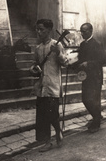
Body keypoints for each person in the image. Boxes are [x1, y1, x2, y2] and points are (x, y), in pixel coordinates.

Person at [30, 19, 67, 152]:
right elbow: (35, 64)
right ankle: (47, 141)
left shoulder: (57, 45)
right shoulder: (38, 48)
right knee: (42, 116)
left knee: (52, 115)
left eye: (42, 29)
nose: (39, 32)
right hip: (41, 87)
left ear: (49, 30)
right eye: (37, 29)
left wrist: (58, 52)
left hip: (53, 86)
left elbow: (65, 63)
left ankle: (58, 132)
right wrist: (33, 69)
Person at [77, 23, 105, 133]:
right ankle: (96, 117)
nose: (82, 34)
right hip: (86, 77)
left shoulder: (97, 44)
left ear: (91, 31)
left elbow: (102, 60)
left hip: (95, 77)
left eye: (84, 31)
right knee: (85, 99)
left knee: (94, 100)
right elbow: (80, 59)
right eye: (81, 31)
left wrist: (88, 63)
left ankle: (96, 123)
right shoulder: (82, 45)